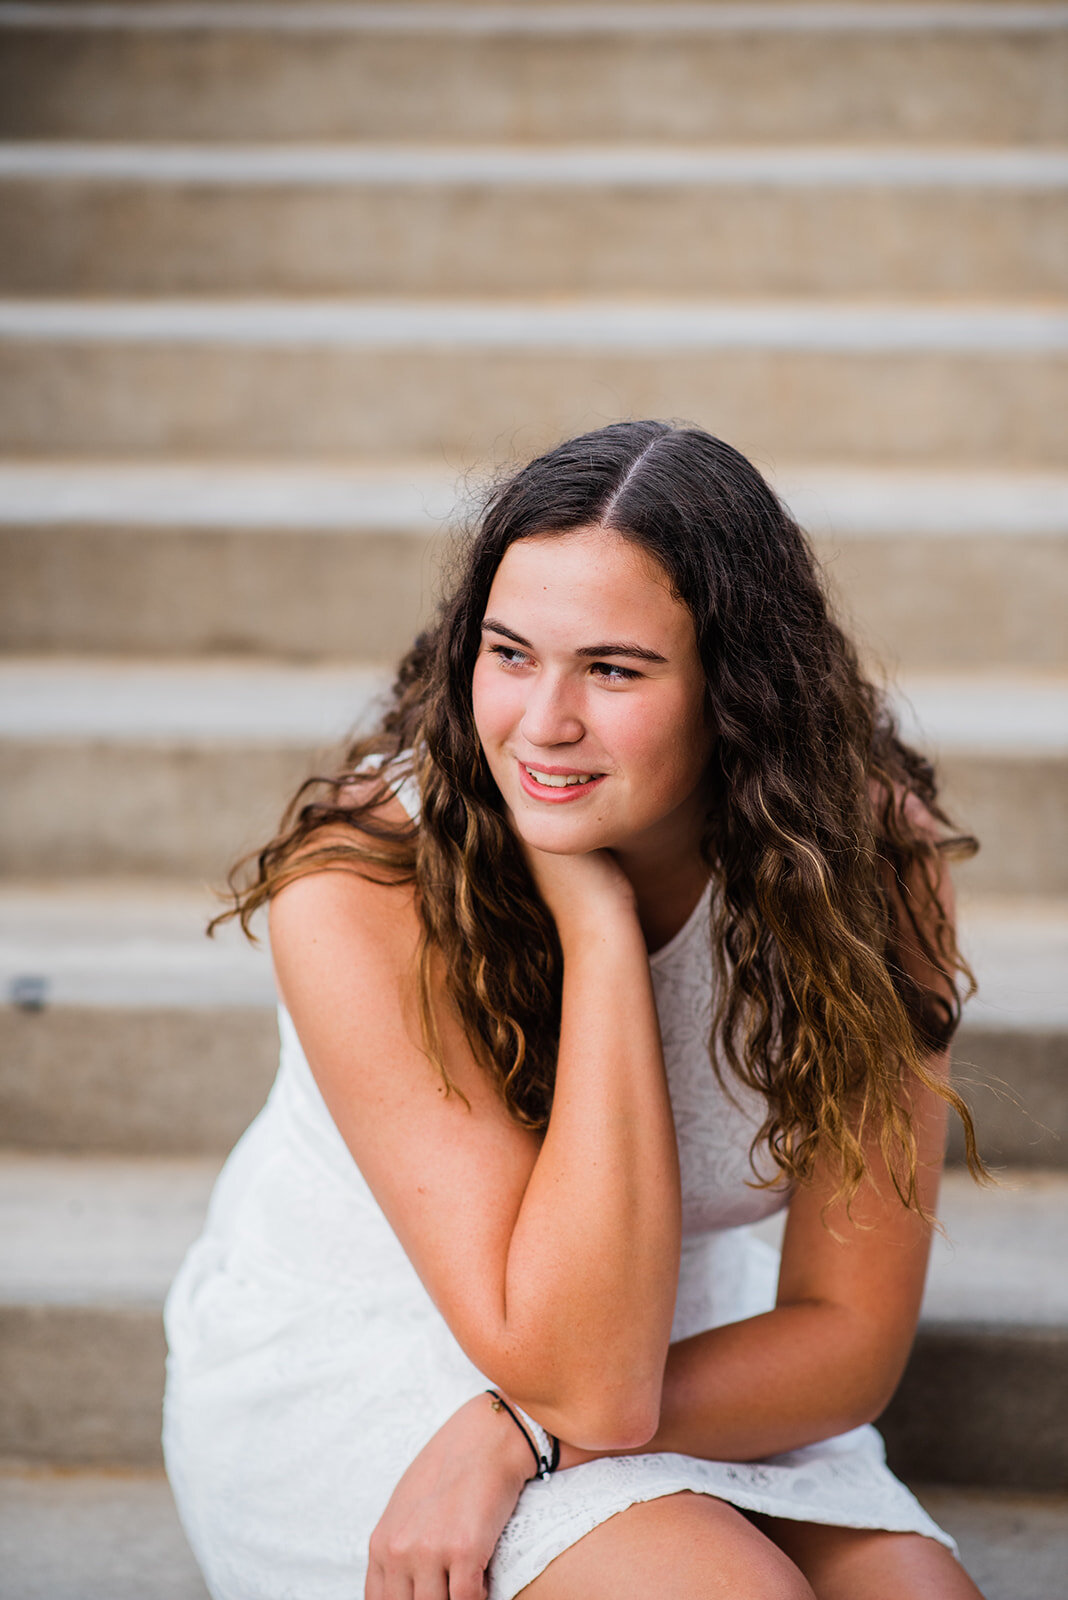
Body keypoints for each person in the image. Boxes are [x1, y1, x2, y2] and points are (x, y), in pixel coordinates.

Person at [163, 421, 988, 1600]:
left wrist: (516, 1434)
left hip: (678, 1350)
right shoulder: (363, 884)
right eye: (510, 653)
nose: (543, 724)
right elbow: (588, 1375)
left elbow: (847, 1335)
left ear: (736, 693)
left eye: (613, 669)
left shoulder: (865, 866)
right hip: (364, 1349)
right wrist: (597, 925)